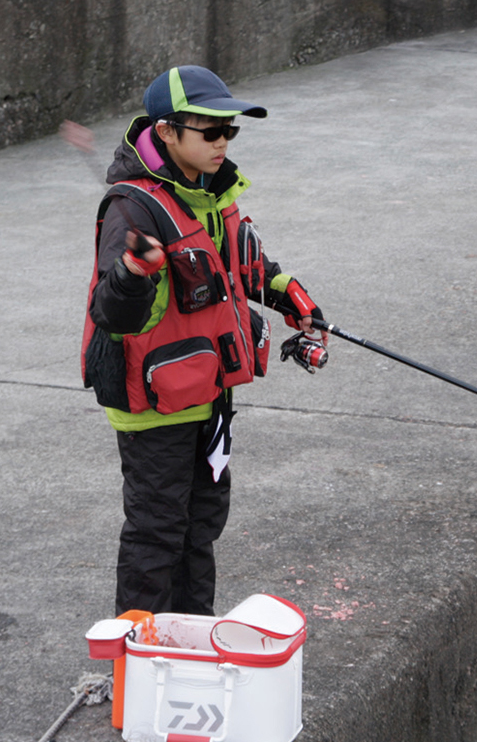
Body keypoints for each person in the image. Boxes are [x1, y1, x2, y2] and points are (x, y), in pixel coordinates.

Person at [81, 65, 326, 615]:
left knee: (203, 521)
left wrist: (297, 302)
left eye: (230, 131)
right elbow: (112, 315)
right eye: (210, 131)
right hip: (155, 405)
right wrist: (131, 275)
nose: (222, 142)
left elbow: (246, 263)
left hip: (209, 392)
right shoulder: (131, 209)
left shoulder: (213, 192)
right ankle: (140, 659)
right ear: (167, 131)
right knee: (157, 531)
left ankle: (192, 637)